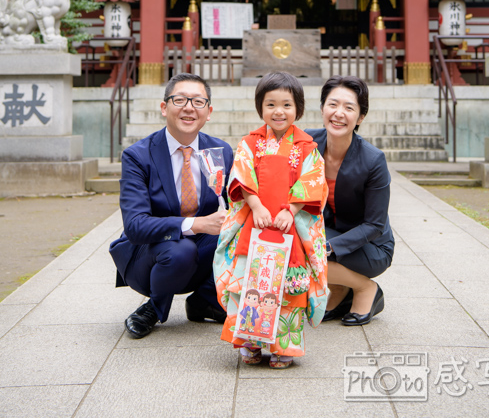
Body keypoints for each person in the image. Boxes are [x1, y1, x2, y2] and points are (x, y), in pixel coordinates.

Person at [214, 71, 328, 369]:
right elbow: (240, 175)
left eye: (287, 105)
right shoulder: (250, 143)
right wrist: (255, 205)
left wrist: (290, 210)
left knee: (287, 287)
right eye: (271, 104)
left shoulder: (307, 147)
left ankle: (283, 347)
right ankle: (250, 342)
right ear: (260, 108)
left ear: (298, 109)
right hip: (256, 223)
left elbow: (314, 182)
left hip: (288, 227)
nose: (279, 111)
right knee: (251, 283)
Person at [109, 73, 233, 338]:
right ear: (164, 107)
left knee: (242, 233)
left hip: (201, 253)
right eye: (180, 100)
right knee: (180, 249)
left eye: (198, 102)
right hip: (150, 257)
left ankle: (204, 300)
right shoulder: (138, 156)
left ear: (208, 112)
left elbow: (234, 206)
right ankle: (153, 308)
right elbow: (135, 226)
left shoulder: (221, 151)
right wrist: (195, 224)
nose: (189, 107)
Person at [306, 75, 394, 326]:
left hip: (371, 247)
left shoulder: (373, 160)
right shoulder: (307, 143)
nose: (338, 113)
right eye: (332, 104)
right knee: (291, 239)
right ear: (322, 108)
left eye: (349, 107)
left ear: (361, 117)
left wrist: (328, 247)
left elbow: (375, 225)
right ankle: (340, 289)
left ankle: (366, 288)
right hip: (328, 231)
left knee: (307, 249)